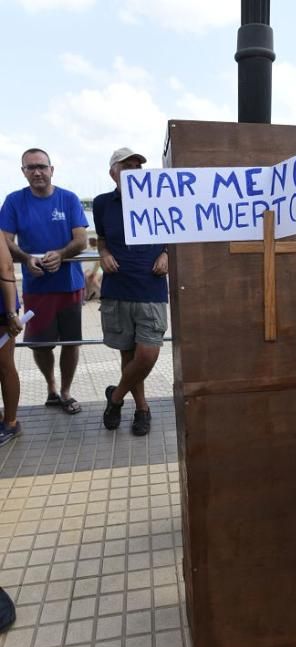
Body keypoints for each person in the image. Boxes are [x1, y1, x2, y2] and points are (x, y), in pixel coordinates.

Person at [0, 148, 88, 414]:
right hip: (36, 287)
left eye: (41, 166)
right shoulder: (14, 201)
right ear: (23, 172)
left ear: (52, 169)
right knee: (40, 344)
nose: (37, 172)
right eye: (30, 167)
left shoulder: (69, 198)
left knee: (71, 343)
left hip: (70, 285)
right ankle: (51, 388)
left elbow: (82, 240)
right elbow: (5, 241)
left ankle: (66, 391)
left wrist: (61, 254)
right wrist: (26, 258)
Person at [92, 147, 168, 436]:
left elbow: (174, 232)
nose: (134, 171)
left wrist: (167, 254)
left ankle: (115, 397)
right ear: (113, 173)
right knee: (128, 356)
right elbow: (100, 239)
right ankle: (142, 408)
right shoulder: (101, 204)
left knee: (147, 355)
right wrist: (103, 253)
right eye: (127, 167)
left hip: (151, 287)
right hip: (118, 288)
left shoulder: (158, 199)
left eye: (138, 167)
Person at [0, 232, 22, 446]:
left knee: (4, 364)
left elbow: (6, 268)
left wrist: (10, 313)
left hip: (1, 308)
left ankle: (11, 422)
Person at [84, 237, 102, 301]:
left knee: (94, 280)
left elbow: (97, 264)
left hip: (99, 269)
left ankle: (104, 295)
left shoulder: (96, 251)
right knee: (87, 278)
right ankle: (88, 295)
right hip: (96, 270)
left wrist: (93, 272)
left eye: (88, 243)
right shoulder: (92, 251)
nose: (88, 244)